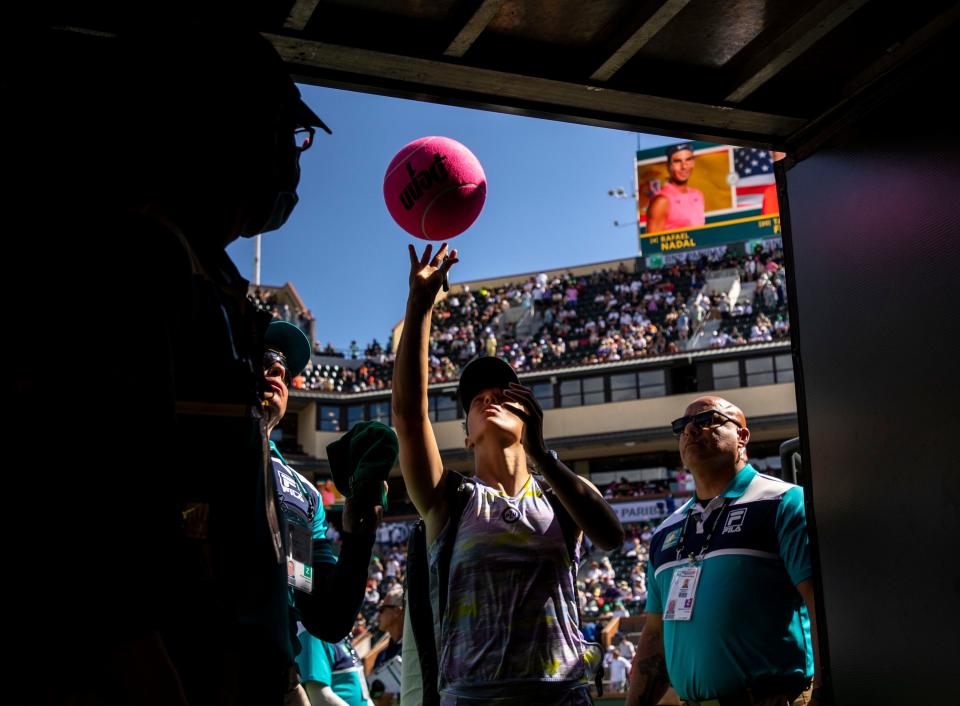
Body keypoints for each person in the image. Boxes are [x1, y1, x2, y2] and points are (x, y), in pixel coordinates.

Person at [15, 22, 330, 706]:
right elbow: (90, 501)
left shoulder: (209, 279)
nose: (294, 160)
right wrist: (146, 668)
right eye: (286, 133)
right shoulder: (139, 261)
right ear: (228, 129)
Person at [393, 243, 625, 705]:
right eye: (476, 398)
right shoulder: (450, 500)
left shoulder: (561, 496)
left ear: (528, 416)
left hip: (560, 698)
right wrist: (419, 306)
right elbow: (408, 417)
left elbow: (611, 536)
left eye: (503, 393)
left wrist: (542, 453)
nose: (488, 398)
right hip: (472, 699)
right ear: (466, 437)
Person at [625, 396, 821, 706]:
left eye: (706, 420)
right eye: (682, 425)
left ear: (742, 437)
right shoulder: (664, 533)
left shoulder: (783, 501)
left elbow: (820, 606)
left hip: (775, 697)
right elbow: (654, 635)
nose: (690, 430)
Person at [260, 321, 395, 705]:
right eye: (264, 358)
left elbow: (323, 616)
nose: (277, 370)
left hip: (270, 680)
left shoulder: (301, 494)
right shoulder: (186, 452)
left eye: (285, 367)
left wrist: (357, 536)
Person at [646, 143, 705, 234]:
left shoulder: (698, 194)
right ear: (668, 165)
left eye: (688, 160)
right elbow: (653, 244)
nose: (684, 166)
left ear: (693, 162)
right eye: (677, 161)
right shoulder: (662, 201)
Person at [370, 586, 406, 706]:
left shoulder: (414, 651)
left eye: (382, 609)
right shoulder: (382, 654)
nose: (378, 615)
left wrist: (394, 697)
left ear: (398, 611)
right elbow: (372, 691)